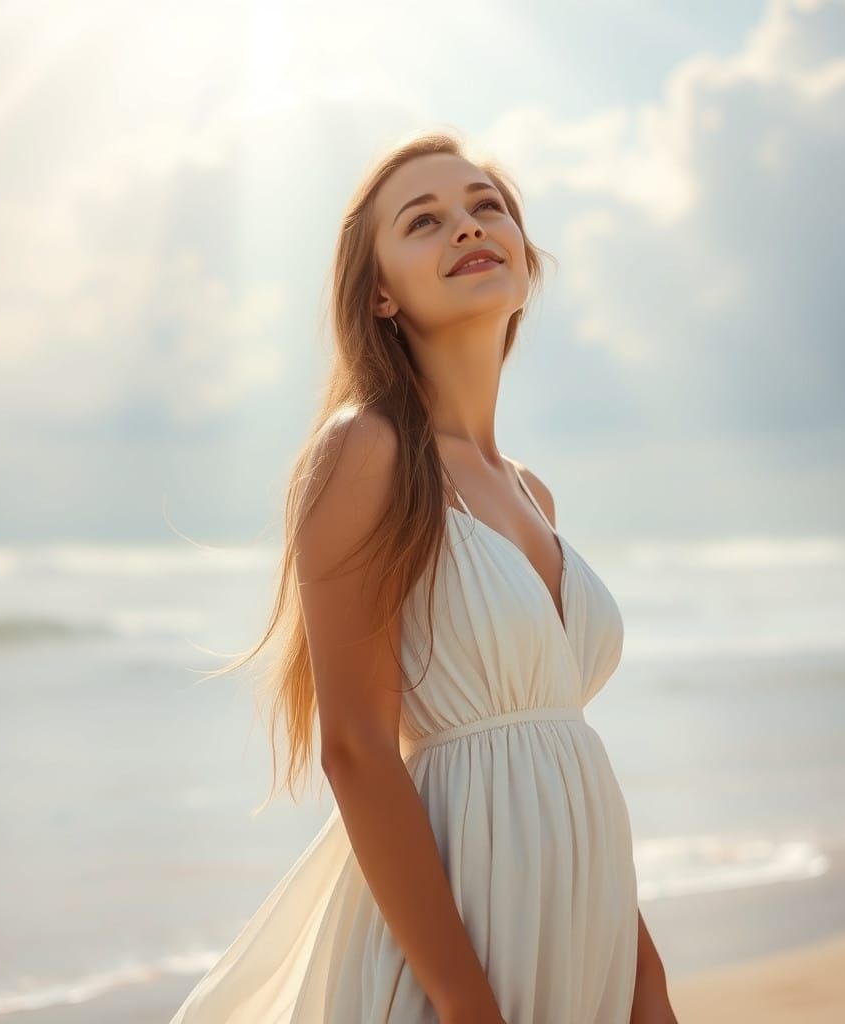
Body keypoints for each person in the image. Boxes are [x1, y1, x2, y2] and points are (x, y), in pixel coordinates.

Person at [169, 131, 676, 1023]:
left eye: (487, 207)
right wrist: (465, 1001)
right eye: (424, 221)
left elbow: (557, 757)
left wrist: (644, 975)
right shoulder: (365, 451)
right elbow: (356, 749)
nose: (468, 227)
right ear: (380, 294)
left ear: (524, 255)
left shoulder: (533, 494)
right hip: (457, 948)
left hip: (579, 934)